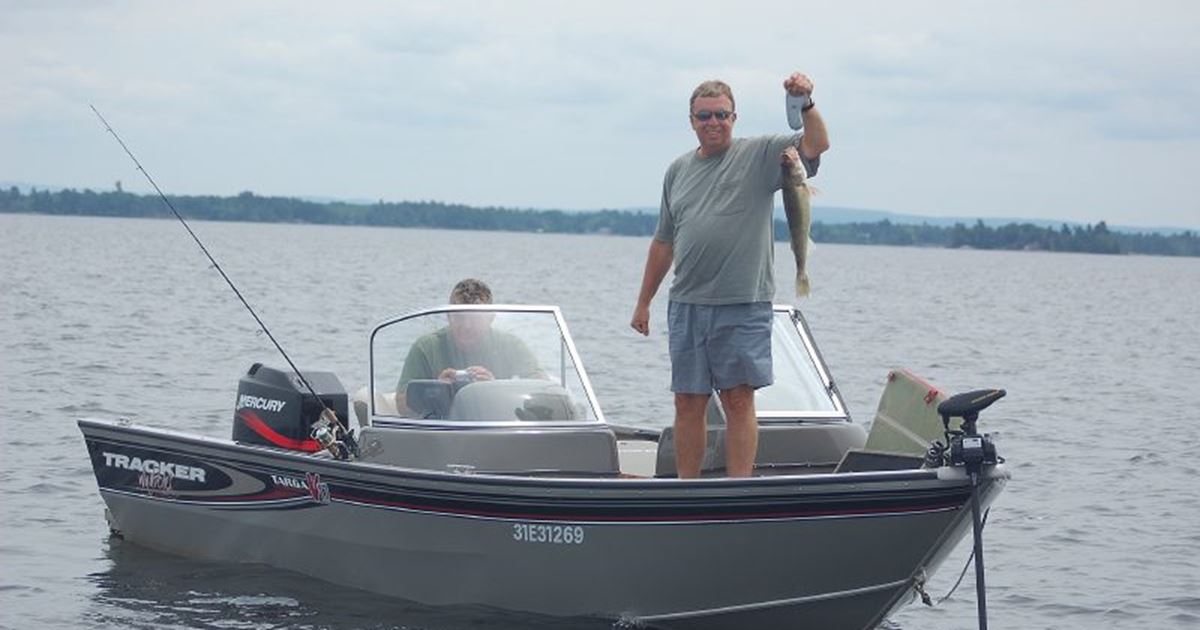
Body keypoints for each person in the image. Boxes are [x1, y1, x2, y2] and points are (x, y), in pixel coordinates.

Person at [630, 73, 830, 478]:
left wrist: (805, 103)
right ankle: (687, 491)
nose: (713, 122)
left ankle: (737, 489)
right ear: (691, 121)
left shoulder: (762, 154)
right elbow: (663, 241)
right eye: (704, 116)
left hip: (742, 302)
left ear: (734, 117)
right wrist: (644, 301)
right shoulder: (677, 170)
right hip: (687, 304)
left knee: (738, 400)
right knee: (687, 402)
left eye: (721, 114)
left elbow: (816, 144)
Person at [396, 278, 542, 413]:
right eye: (459, 316)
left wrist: (496, 388)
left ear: (491, 318)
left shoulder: (511, 345)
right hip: (443, 432)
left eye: (475, 318)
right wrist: (435, 391)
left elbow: (543, 390)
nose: (467, 326)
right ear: (448, 316)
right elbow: (401, 404)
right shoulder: (426, 347)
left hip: (496, 429)